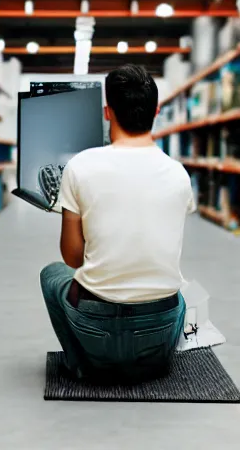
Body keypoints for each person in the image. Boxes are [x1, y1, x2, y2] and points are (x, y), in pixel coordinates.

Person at [40, 64, 194, 383]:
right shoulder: (179, 174)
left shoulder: (80, 167)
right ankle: (152, 362)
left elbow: (73, 258)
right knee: (180, 290)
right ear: (157, 111)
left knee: (52, 274)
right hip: (159, 329)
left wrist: (77, 214)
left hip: (97, 326)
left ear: (107, 112)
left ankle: (81, 364)